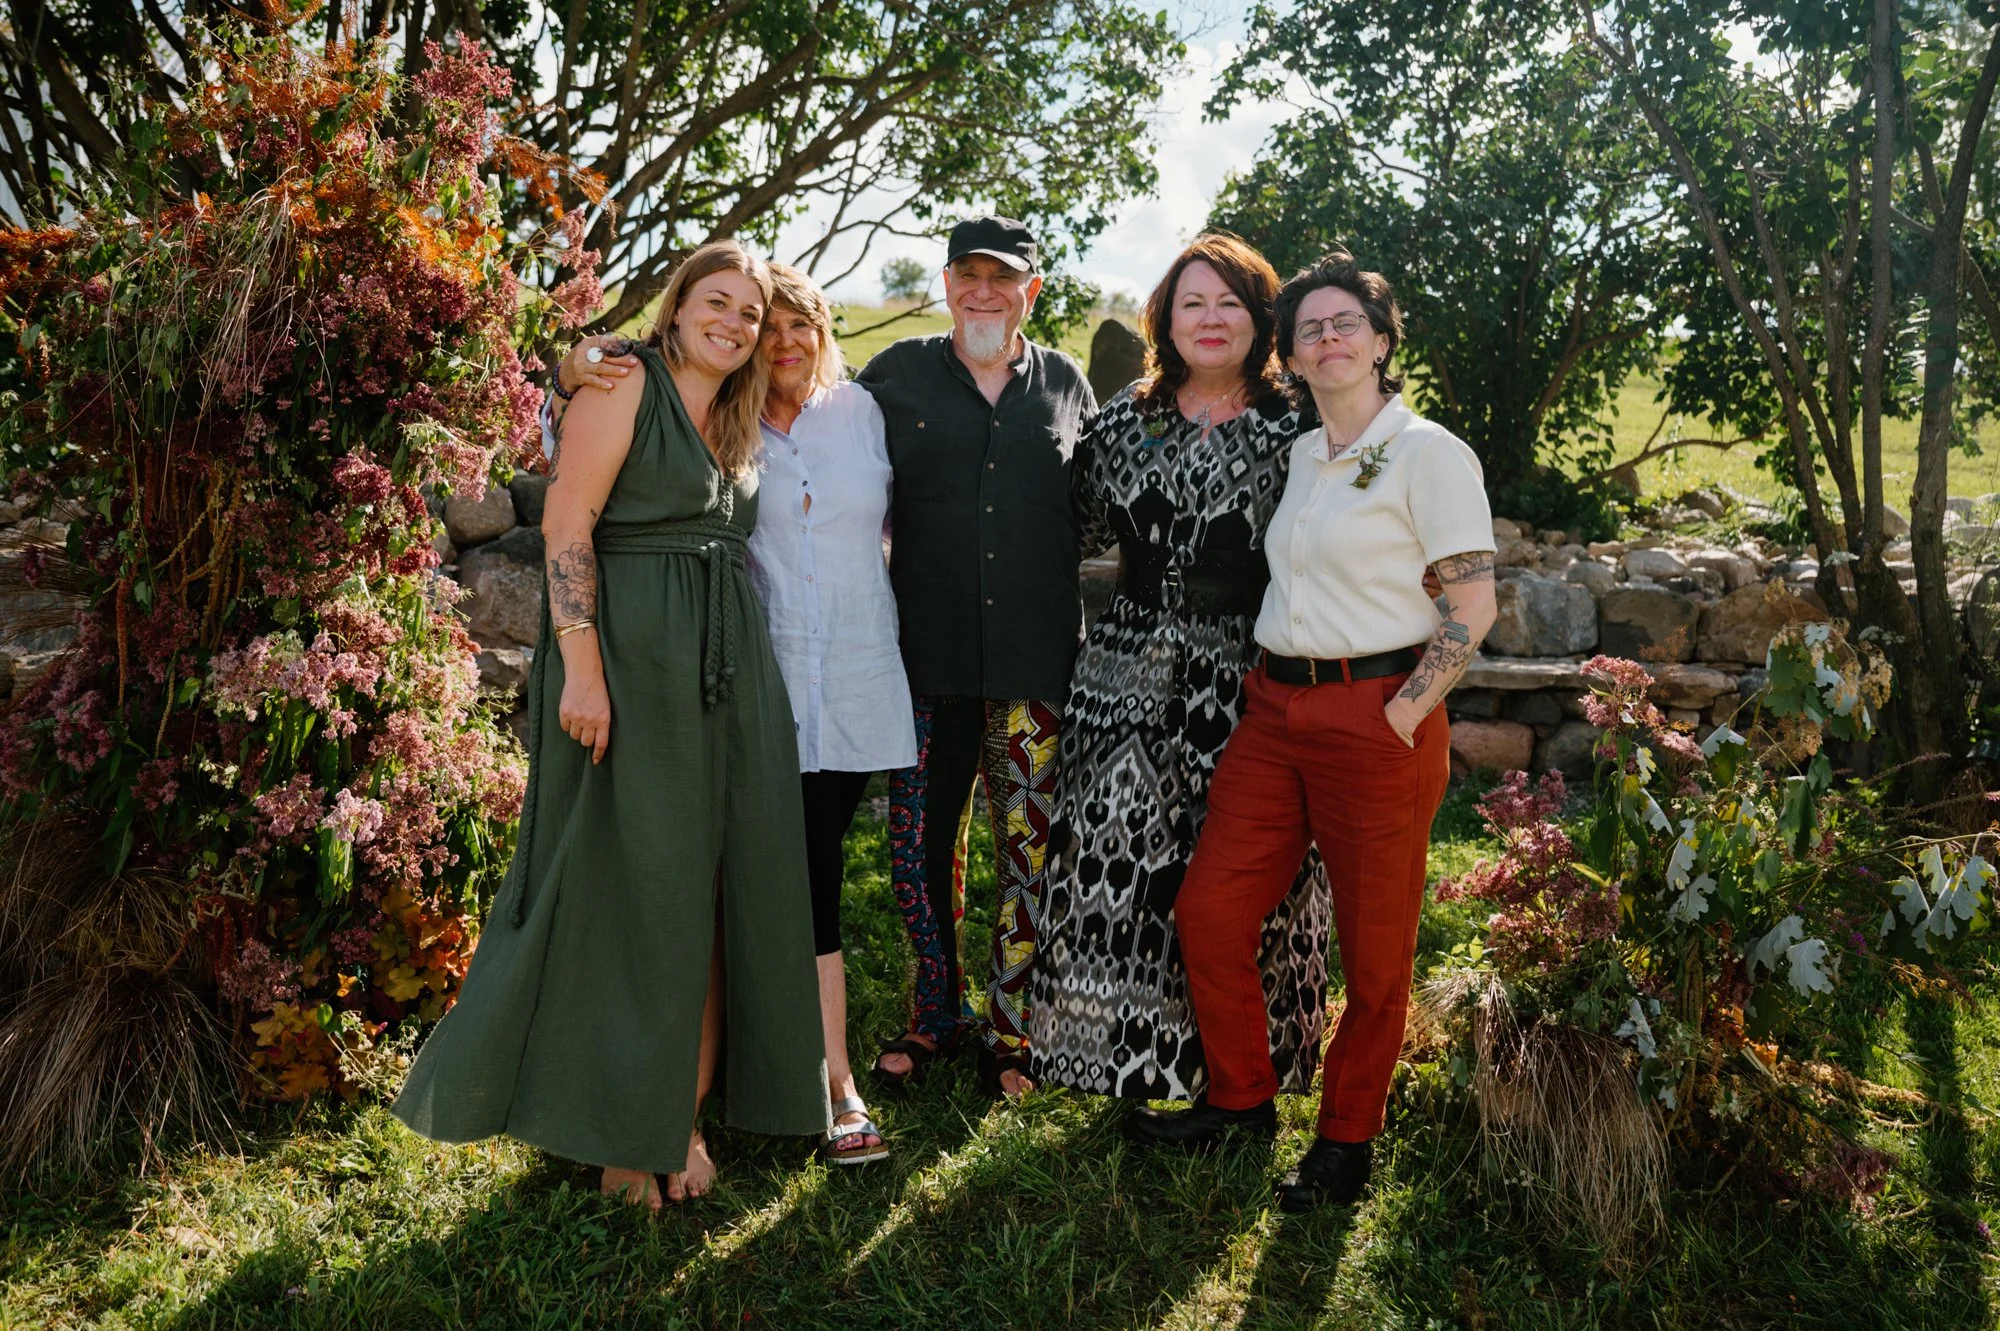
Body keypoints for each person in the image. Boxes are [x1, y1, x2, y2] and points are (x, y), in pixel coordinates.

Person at [393, 241, 829, 1211]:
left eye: (749, 313)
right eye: (716, 302)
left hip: (728, 670)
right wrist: (582, 669)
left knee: (722, 887)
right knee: (639, 886)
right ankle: (631, 1125)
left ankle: (685, 1107)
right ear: (674, 309)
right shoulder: (622, 381)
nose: (734, 322)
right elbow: (565, 529)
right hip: (630, 660)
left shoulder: (735, 411)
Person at [1124, 251, 1498, 1214]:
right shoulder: (1302, 452)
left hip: (1376, 714)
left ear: (1382, 339)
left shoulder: (1429, 452)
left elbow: (1473, 603)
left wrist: (1404, 712)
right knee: (1211, 911)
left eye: (1346, 324)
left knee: (1374, 956)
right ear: (1288, 353)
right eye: (1308, 329)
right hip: (1273, 707)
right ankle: (1241, 1100)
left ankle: (1346, 1141)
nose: (1327, 339)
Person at [1028, 234, 1331, 1102]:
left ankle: (1244, 1066)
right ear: (1165, 317)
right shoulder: (1123, 417)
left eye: (1229, 303)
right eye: (1192, 302)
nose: (1210, 319)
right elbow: (1073, 530)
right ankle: (1117, 1059)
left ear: (1261, 318)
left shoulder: (1301, 424)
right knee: (1119, 859)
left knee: (1239, 871)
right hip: (1121, 668)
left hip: (1250, 675)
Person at [857, 217, 1097, 1099]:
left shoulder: (1067, 383)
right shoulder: (893, 376)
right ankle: (934, 1015)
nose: (985, 291)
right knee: (918, 851)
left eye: (1005, 277)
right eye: (969, 274)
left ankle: (1012, 1028)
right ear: (948, 282)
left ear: (1032, 289)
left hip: (1036, 671)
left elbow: (1102, 507)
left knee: (1029, 851)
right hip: (925, 664)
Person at [746, 263, 915, 1162]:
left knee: (810, 867)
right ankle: (818, 1077)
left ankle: (826, 1074)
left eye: (800, 324)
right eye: (768, 326)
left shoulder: (866, 415)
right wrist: (581, 362)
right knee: (786, 871)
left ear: (822, 331)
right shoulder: (721, 421)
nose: (785, 341)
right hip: (762, 686)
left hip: (851, 683)